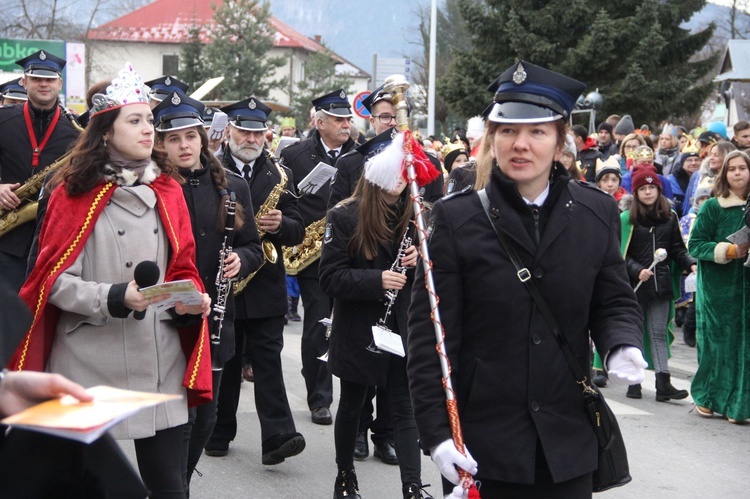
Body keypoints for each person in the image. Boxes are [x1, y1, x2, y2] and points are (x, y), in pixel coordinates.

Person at [406, 61, 646, 498]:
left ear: (559, 143)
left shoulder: (597, 213)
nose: (521, 145)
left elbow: (612, 299)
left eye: (537, 132)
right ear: (491, 142)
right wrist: (438, 435)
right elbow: (431, 340)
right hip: (482, 445)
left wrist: (621, 341)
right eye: (507, 132)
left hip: (566, 442)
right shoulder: (456, 220)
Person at [7, 62, 213, 499]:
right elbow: (52, 282)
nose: (147, 131)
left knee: (169, 486)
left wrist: (190, 298)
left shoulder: (170, 190)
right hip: (87, 360)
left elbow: (184, 265)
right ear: (106, 130)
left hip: (158, 360)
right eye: (134, 121)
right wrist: (115, 296)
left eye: (149, 121)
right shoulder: (71, 193)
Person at [152, 90, 265, 490]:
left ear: (202, 138)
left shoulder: (233, 187)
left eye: (190, 136)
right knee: (177, 418)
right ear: (161, 144)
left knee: (207, 418)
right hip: (168, 316)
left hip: (218, 319)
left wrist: (242, 261)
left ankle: (176, 482)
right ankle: (173, 489)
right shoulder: (154, 187)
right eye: (174, 139)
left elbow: (254, 246)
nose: (184, 145)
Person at [319, 143, 428, 499]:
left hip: (401, 328)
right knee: (352, 404)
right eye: (395, 173)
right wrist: (377, 280)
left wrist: (421, 261)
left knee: (404, 408)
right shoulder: (345, 215)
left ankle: (412, 487)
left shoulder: (418, 215)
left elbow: (438, 278)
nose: (401, 181)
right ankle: (345, 477)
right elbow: (330, 278)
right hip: (358, 327)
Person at [206, 96, 306, 464]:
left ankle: (278, 435)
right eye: (243, 131)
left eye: (257, 133)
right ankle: (218, 431)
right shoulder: (209, 169)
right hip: (225, 278)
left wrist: (282, 225)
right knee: (227, 360)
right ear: (229, 131)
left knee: (268, 358)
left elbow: (298, 227)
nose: (250, 139)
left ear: (266, 134)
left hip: (265, 282)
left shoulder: (281, 174)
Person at [280, 89, 357, 426]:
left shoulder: (361, 156)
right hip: (313, 256)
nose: (346, 124)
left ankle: (358, 406)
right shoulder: (295, 155)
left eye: (348, 119)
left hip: (355, 252)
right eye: (339, 119)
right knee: (318, 325)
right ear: (320, 121)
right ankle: (319, 397)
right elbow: (282, 200)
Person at [0, 50, 80, 292]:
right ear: (24, 82)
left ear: (60, 83)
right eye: (36, 78)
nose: (43, 84)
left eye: (50, 78)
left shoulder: (76, 130)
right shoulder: (2, 120)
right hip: (7, 243)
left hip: (52, 241)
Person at [621, 166, 696, 401]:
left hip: (661, 284)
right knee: (634, 333)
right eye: (643, 188)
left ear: (659, 190)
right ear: (636, 193)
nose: (648, 192)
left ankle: (663, 383)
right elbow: (619, 253)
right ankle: (634, 382)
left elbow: (676, 249)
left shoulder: (670, 217)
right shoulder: (626, 219)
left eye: (652, 187)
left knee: (657, 332)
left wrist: (690, 264)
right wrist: (636, 270)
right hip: (634, 286)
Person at [688, 149, 750, 424]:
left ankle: (740, 406)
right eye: (731, 169)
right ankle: (709, 397)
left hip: (747, 289)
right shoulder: (713, 206)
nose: (737, 173)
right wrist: (728, 251)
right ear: (724, 174)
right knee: (719, 347)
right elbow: (695, 245)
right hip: (719, 290)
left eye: (742, 168)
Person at [682, 140, 736, 216]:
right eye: (711, 154)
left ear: (727, 156)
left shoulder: (735, 178)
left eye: (716, 155)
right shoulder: (700, 176)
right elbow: (691, 204)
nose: (711, 158)